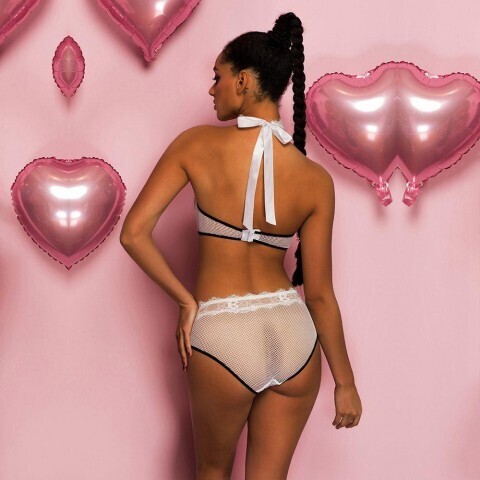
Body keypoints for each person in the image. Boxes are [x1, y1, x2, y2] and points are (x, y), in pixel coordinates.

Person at [120, 11, 362, 480]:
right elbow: (318, 295)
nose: (212, 89)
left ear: (245, 81)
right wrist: (345, 383)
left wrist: (186, 301)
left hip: (222, 333)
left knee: (212, 472)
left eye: (218, 77)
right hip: (293, 337)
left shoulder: (194, 145)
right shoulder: (315, 179)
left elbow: (133, 233)